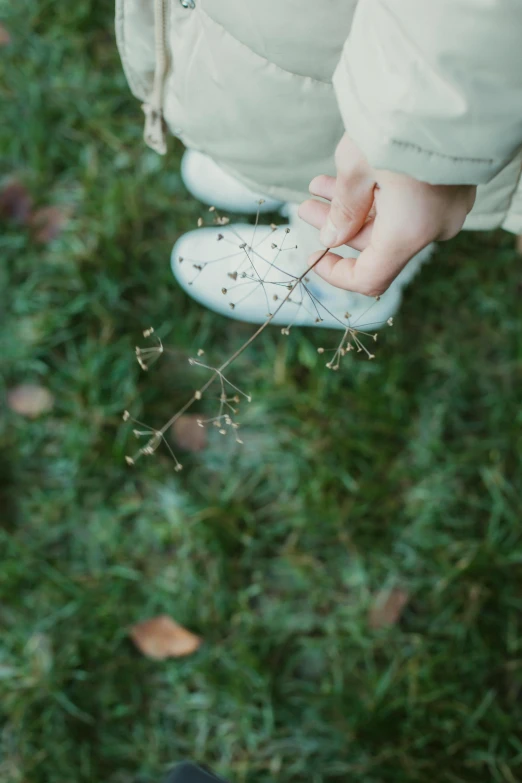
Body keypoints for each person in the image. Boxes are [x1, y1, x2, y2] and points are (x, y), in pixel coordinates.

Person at [116, 0, 522, 329]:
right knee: (296, 115)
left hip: (407, 65)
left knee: (363, 176)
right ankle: (273, 171)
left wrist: (420, 151)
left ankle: (334, 288)